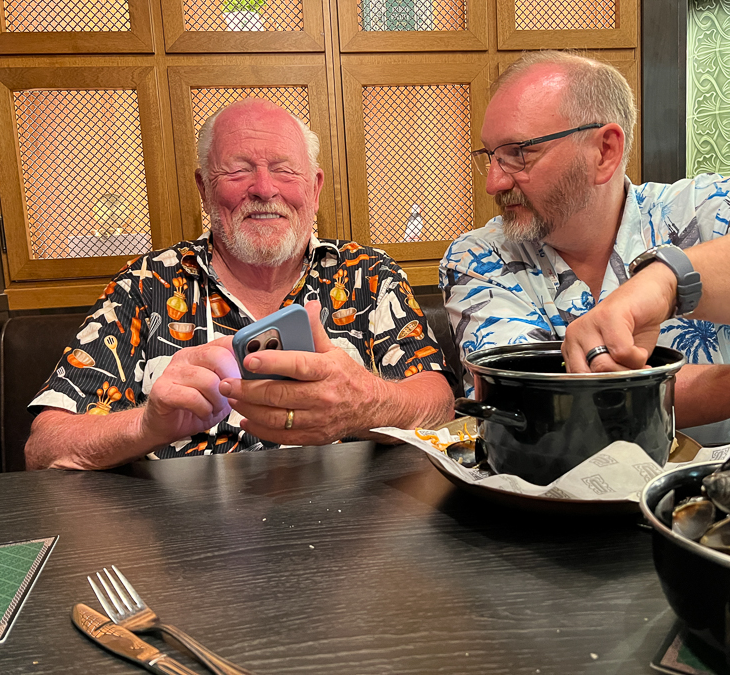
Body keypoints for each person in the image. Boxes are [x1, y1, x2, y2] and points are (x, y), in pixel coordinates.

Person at [441, 50, 730, 444]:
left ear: (605, 151)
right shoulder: (480, 255)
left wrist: (667, 279)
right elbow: (534, 402)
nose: (494, 182)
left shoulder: (700, 209)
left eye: (518, 153)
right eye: (491, 156)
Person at [27, 98, 455, 470]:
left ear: (315, 187)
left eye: (286, 171)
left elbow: (439, 401)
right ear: (204, 188)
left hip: (351, 530)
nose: (264, 189)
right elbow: (44, 447)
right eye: (238, 171)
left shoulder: (369, 274)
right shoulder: (144, 286)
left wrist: (368, 404)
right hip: (187, 537)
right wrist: (145, 425)